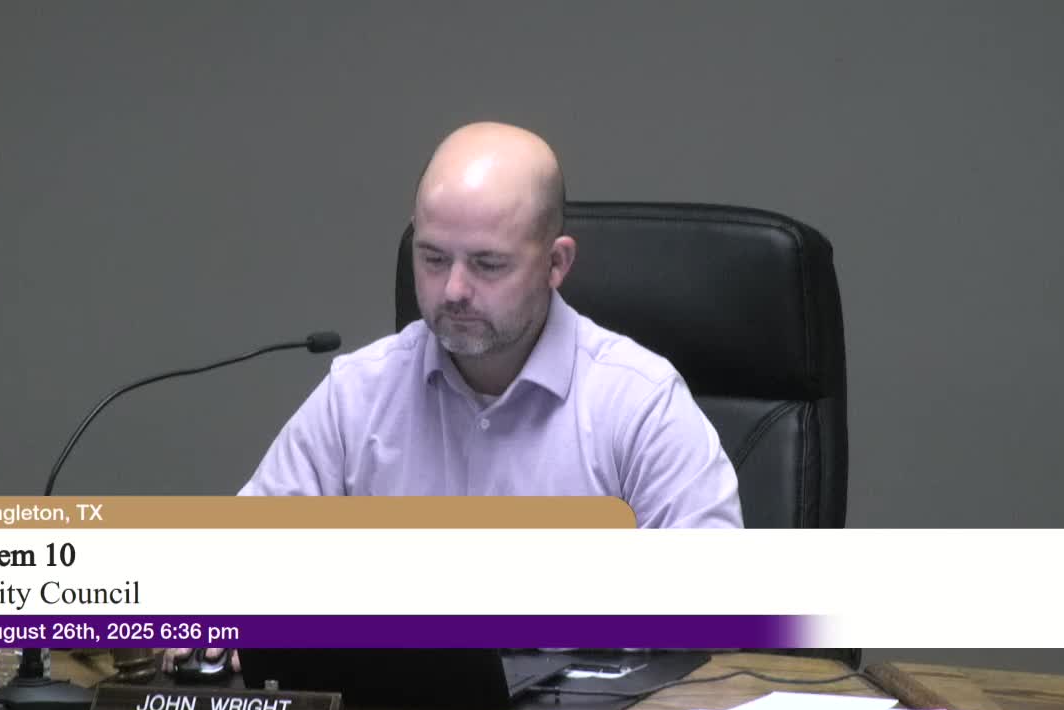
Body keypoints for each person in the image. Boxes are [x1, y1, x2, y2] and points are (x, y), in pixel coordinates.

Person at [238, 121, 742, 529]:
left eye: (487, 264)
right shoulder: (356, 396)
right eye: (433, 258)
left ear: (556, 264)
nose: (454, 290)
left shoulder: (640, 404)